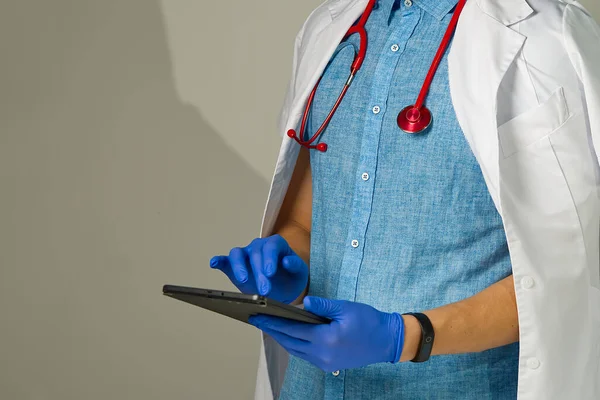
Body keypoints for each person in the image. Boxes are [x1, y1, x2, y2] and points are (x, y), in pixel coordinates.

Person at [210, 0, 600, 398]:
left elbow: (573, 270)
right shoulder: (330, 28)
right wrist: (281, 266)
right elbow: (305, 221)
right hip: (310, 388)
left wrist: (406, 337)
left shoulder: (550, 38)